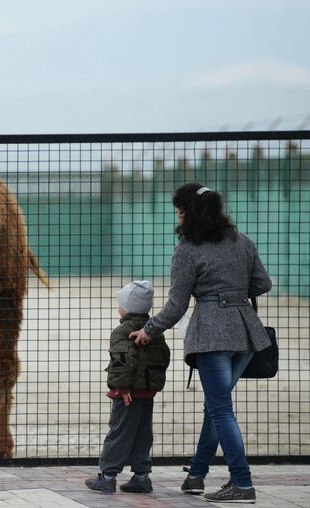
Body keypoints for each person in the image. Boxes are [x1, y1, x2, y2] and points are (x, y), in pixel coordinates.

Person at [130, 183, 272, 504]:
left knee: (221, 410)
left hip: (211, 334)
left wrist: (148, 330)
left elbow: (177, 304)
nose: (177, 217)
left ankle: (242, 482)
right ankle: (196, 475)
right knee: (216, 407)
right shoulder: (241, 241)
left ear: (189, 213)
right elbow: (263, 283)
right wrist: (235, 290)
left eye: (179, 211)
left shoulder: (187, 250)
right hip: (247, 334)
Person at [86, 280, 170, 494]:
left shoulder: (122, 331)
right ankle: (142, 477)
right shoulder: (154, 331)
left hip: (127, 394)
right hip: (147, 392)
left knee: (119, 432)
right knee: (143, 434)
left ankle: (107, 476)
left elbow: (121, 361)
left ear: (126, 307)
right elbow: (164, 358)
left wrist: (122, 387)